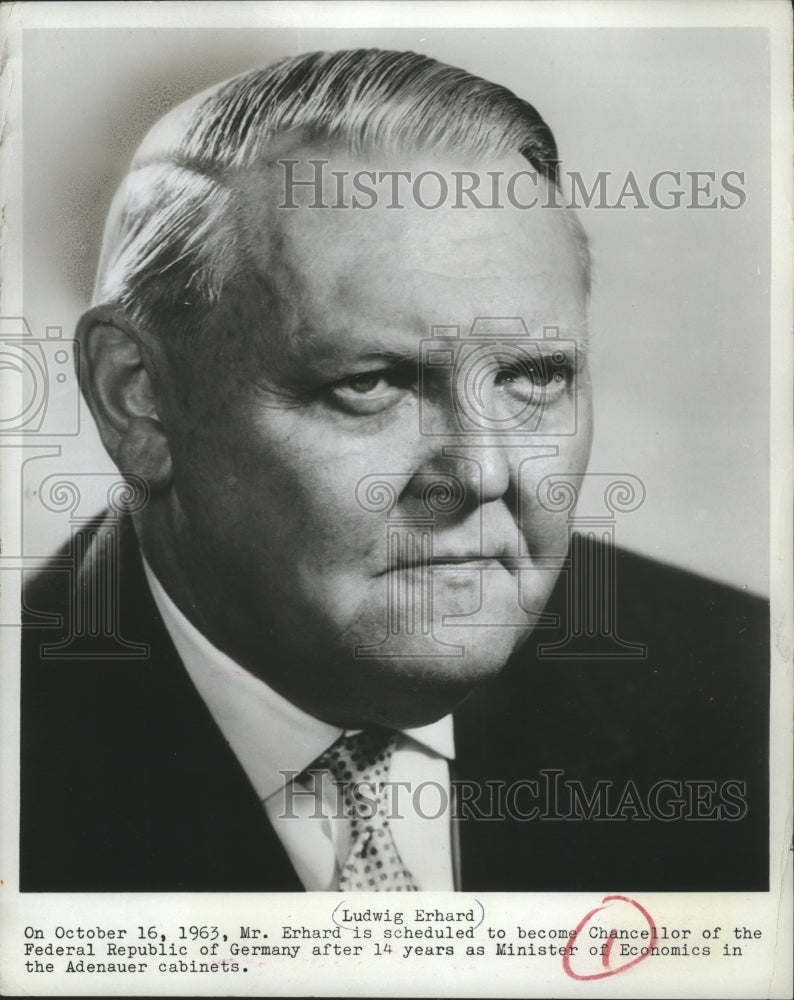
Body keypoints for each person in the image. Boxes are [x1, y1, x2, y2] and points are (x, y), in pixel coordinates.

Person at [20, 49, 768, 892]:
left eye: (532, 378)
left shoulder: (746, 696)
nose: (483, 474)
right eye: (369, 385)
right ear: (137, 397)